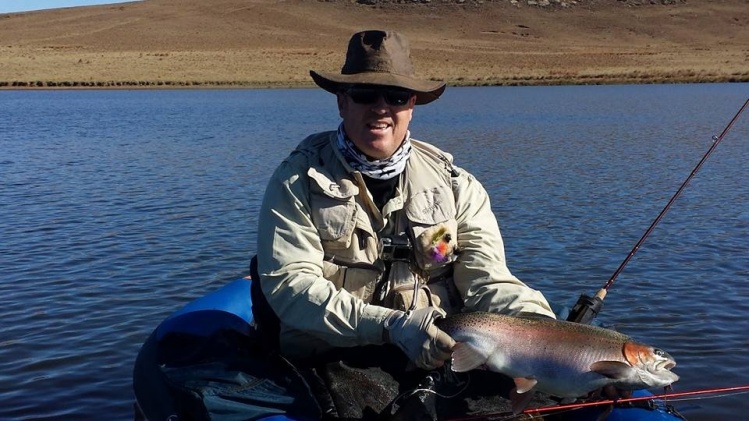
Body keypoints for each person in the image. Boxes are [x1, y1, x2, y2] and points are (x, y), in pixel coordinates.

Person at [251, 29, 557, 417]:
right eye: (365, 95)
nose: (381, 107)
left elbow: (487, 281)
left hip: (438, 353)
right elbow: (291, 287)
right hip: (331, 356)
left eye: (395, 96)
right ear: (342, 102)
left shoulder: (457, 185)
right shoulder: (295, 180)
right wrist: (393, 326)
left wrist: (545, 332)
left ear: (412, 104)